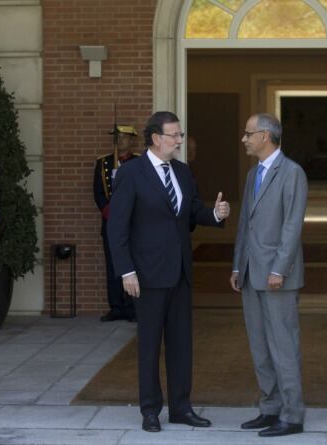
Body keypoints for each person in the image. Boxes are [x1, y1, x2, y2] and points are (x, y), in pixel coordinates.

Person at [107, 111, 230, 433]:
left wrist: (214, 215)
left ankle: (181, 408)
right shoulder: (131, 173)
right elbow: (116, 229)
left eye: (180, 135)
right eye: (174, 135)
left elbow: (190, 213)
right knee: (149, 345)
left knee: (181, 345)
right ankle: (150, 410)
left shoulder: (183, 172)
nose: (179, 140)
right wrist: (126, 272)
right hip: (146, 275)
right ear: (156, 138)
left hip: (180, 274)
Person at [230, 113, 308, 438]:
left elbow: (292, 226)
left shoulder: (292, 173)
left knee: (283, 346)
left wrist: (279, 268)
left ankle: (292, 415)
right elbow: (245, 223)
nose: (244, 139)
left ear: (265, 136)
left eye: (248, 134)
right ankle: (270, 407)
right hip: (250, 273)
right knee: (260, 345)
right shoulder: (252, 175)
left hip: (278, 276)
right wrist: (237, 265)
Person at [93, 124, 138, 322]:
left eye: (124, 137)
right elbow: (98, 194)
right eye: (117, 137)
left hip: (134, 224)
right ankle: (116, 306)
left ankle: (131, 306)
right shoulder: (103, 163)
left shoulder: (139, 162)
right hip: (111, 223)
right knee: (112, 264)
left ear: (132, 140)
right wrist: (112, 215)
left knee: (133, 263)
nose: (120, 140)